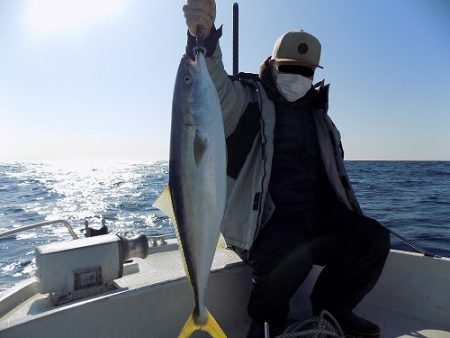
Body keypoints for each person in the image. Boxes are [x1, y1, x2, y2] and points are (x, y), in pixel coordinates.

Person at [183, 1, 391, 337]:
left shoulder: (321, 119)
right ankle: (266, 323)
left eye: (307, 71)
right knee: (292, 254)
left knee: (372, 240)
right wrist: (203, 38)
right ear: (273, 64)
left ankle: (333, 310)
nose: (298, 77)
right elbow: (215, 88)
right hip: (264, 222)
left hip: (315, 217)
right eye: (290, 67)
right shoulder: (246, 101)